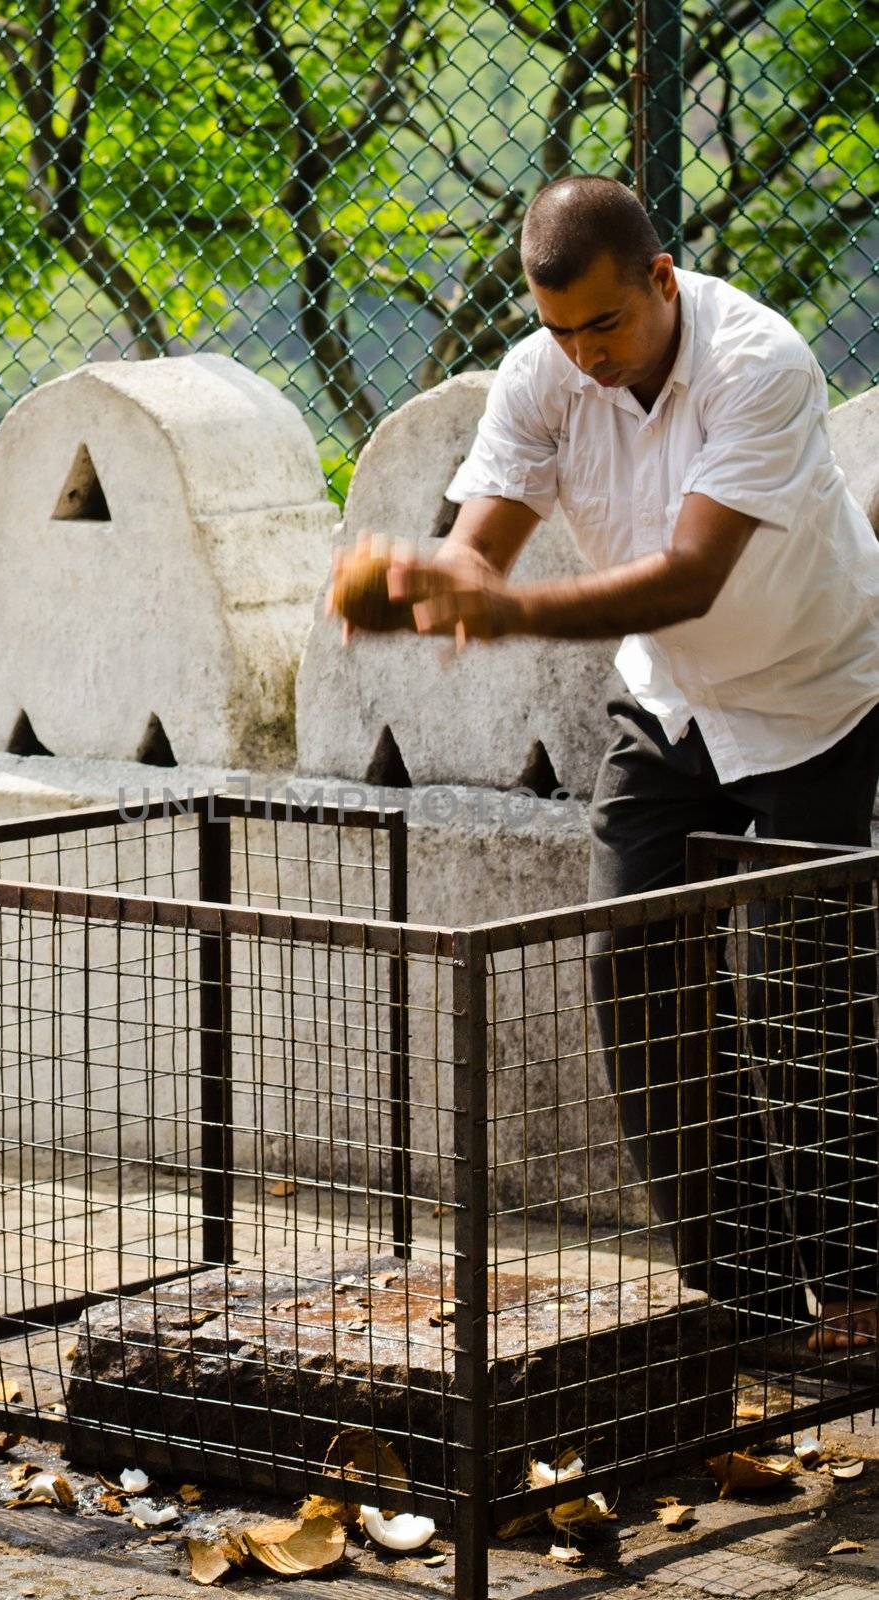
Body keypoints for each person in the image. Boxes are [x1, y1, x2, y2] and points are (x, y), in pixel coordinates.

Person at [334, 174, 879, 1366]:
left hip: (813, 694)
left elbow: (691, 577)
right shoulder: (543, 376)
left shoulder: (762, 364)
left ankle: (859, 1286)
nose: (583, 355)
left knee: (813, 998)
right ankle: (737, 1292)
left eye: (605, 325)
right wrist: (420, 581)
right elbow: (481, 543)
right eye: (559, 329)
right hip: (670, 701)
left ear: (661, 281)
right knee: (635, 975)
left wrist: (502, 606)